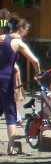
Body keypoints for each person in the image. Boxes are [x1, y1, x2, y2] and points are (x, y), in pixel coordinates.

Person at [0, 16, 41, 155]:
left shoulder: (2, 37)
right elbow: (34, 60)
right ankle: (11, 147)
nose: (26, 33)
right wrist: (38, 72)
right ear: (21, 29)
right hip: (5, 80)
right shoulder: (18, 43)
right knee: (10, 112)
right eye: (26, 30)